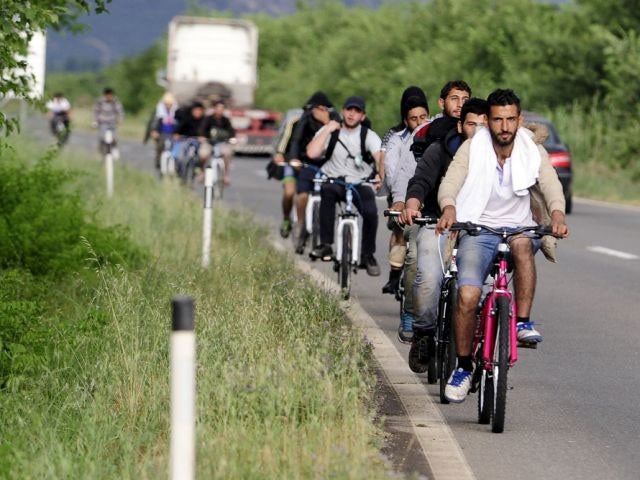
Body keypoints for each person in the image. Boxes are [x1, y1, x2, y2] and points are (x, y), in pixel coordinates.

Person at [435, 89, 569, 403]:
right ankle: (464, 367)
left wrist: (558, 214)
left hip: (519, 228)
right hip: (478, 229)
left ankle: (521, 321)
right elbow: (451, 182)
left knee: (524, 246)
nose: (505, 127)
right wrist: (449, 207)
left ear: (519, 120)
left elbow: (550, 183)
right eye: (498, 120)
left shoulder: (531, 149)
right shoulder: (473, 147)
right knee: (467, 295)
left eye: (511, 119)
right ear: (489, 122)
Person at [400, 98, 489, 362]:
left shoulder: (498, 157)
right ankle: (424, 332)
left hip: (478, 230)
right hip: (437, 223)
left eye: (485, 125)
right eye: (472, 124)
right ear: (461, 125)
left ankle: (482, 342)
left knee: (487, 287)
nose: (478, 131)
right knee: (428, 278)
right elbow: (420, 182)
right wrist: (412, 206)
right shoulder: (439, 150)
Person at [307, 96, 383, 276]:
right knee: (327, 192)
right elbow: (312, 153)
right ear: (343, 111)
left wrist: (380, 174)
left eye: (357, 111)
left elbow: (380, 157)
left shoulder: (368, 135)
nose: (352, 114)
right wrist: (327, 130)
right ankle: (326, 245)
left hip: (359, 182)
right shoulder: (331, 131)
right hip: (335, 180)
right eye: (349, 109)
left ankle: (367, 255)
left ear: (362, 116)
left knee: (371, 212)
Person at [381, 88, 431, 342]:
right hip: (405, 198)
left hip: (435, 207)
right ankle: (407, 304)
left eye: (424, 117)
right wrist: (398, 200)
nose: (420, 123)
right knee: (408, 247)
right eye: (414, 118)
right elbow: (393, 169)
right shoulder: (397, 138)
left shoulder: (440, 135)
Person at [288, 92, 341, 253]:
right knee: (302, 194)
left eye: (322, 109)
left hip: (327, 164)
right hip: (308, 163)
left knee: (332, 194)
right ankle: (301, 222)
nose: (317, 111)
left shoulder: (334, 120)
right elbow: (296, 140)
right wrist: (294, 158)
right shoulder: (305, 120)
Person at [410, 80, 471, 161]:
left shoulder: (474, 128)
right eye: (454, 99)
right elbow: (407, 169)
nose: (460, 104)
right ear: (442, 103)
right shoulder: (423, 130)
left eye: (465, 100)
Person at [271, 108, 304, 238]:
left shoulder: (323, 125)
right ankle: (286, 219)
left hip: (308, 165)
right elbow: (283, 141)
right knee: (289, 192)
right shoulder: (294, 122)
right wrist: (279, 154)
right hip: (291, 160)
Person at [202, 100, 236, 185]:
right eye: (218, 108)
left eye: (222, 108)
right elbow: (202, 130)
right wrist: (203, 137)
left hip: (221, 143)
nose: (220, 110)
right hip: (209, 142)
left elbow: (231, 132)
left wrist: (232, 139)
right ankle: (203, 172)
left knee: (227, 154)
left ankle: (225, 175)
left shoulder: (226, 120)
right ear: (214, 109)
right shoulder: (208, 119)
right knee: (203, 154)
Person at [172, 101, 210, 173]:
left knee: (202, 154)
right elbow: (179, 129)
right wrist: (177, 134)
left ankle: (199, 169)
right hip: (185, 140)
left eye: (199, 110)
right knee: (179, 156)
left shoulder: (204, 121)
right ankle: (178, 170)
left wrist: (203, 137)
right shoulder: (187, 119)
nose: (197, 112)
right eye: (196, 110)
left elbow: (207, 132)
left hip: (198, 142)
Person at [149, 91, 179, 172]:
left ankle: (175, 165)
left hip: (172, 133)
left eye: (170, 104)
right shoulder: (159, 110)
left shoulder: (176, 111)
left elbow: (179, 123)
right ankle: (158, 161)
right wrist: (154, 131)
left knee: (176, 148)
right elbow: (154, 122)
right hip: (162, 133)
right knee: (160, 146)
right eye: (167, 104)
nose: (168, 106)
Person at [93, 87, 124, 159]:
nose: (109, 97)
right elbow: (96, 111)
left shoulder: (115, 101)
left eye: (111, 95)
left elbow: (120, 111)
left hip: (112, 121)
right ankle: (101, 153)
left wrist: (120, 120)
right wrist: (95, 121)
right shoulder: (100, 101)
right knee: (102, 138)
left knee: (114, 137)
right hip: (103, 122)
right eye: (108, 95)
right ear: (105, 95)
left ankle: (114, 149)